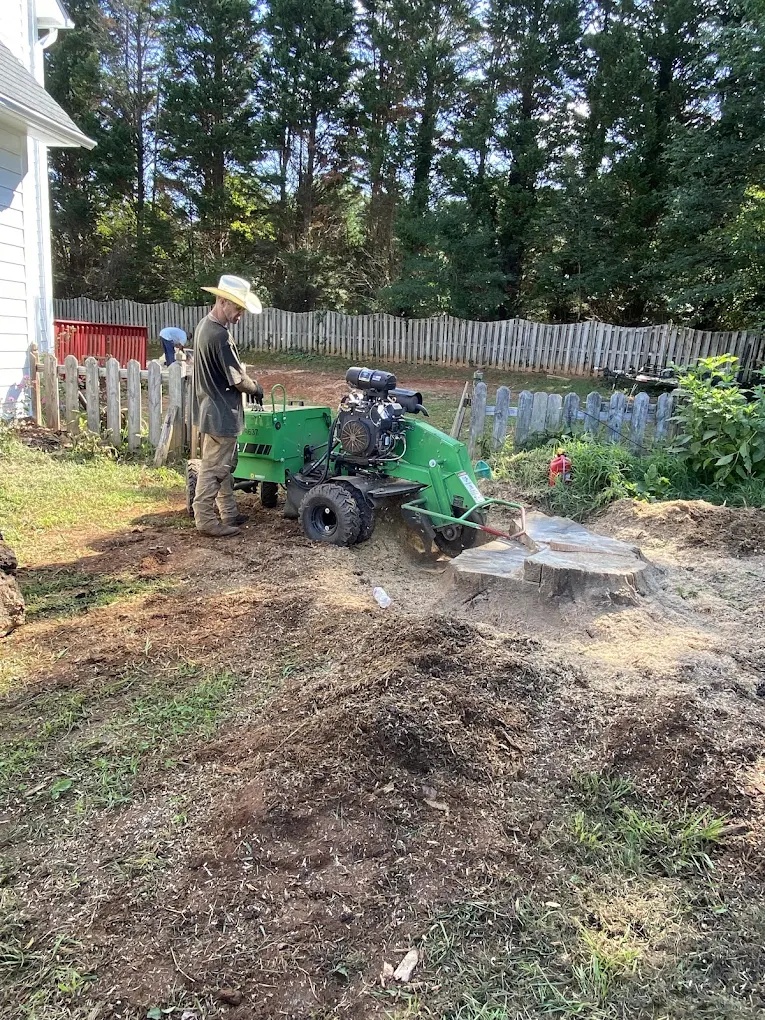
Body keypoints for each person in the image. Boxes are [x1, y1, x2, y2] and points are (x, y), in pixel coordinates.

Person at [192, 274, 264, 538]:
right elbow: (236, 379)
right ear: (222, 301)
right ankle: (206, 520)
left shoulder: (203, 326)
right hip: (221, 412)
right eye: (237, 309)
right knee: (214, 470)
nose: (239, 315)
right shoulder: (220, 336)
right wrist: (255, 387)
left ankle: (229, 512)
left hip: (209, 408)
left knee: (224, 466)